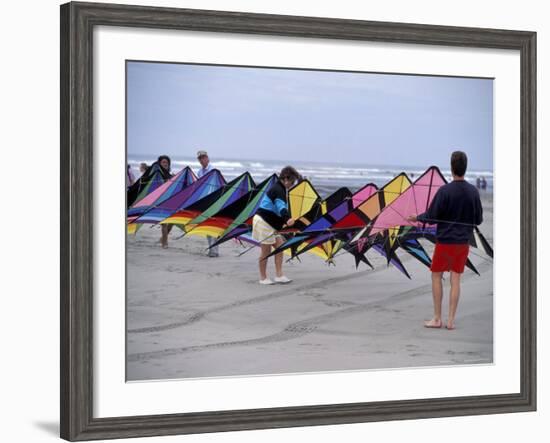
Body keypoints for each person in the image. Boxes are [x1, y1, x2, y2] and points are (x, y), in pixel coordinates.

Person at [407, 151, 483, 330]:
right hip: (462, 243)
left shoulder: (445, 191)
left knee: (436, 275)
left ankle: (437, 318)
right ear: (465, 167)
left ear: (452, 168)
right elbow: (478, 219)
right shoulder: (473, 192)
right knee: (455, 279)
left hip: (445, 243)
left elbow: (432, 216)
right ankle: (450, 321)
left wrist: (415, 218)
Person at [253, 166, 301, 285]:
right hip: (263, 222)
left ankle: (279, 275)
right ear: (286, 179)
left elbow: (280, 207)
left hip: (270, 224)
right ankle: (263, 278)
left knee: (280, 247)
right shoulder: (278, 190)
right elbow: (281, 207)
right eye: (292, 181)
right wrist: (288, 218)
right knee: (266, 251)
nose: (292, 184)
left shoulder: (281, 189)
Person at [196, 150, 218, 257]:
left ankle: (214, 250)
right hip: (204, 201)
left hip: (213, 201)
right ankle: (211, 248)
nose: (202, 160)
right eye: (200, 158)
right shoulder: (199, 172)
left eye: (203, 157)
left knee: (212, 224)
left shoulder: (213, 169)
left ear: (207, 158)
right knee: (206, 224)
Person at [157, 155, 173, 248]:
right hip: (160, 201)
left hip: (169, 201)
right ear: (159, 163)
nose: (165, 164)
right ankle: (165, 243)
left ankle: (163, 238)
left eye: (166, 162)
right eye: (163, 162)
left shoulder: (170, 175)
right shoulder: (157, 175)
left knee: (172, 222)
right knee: (164, 222)